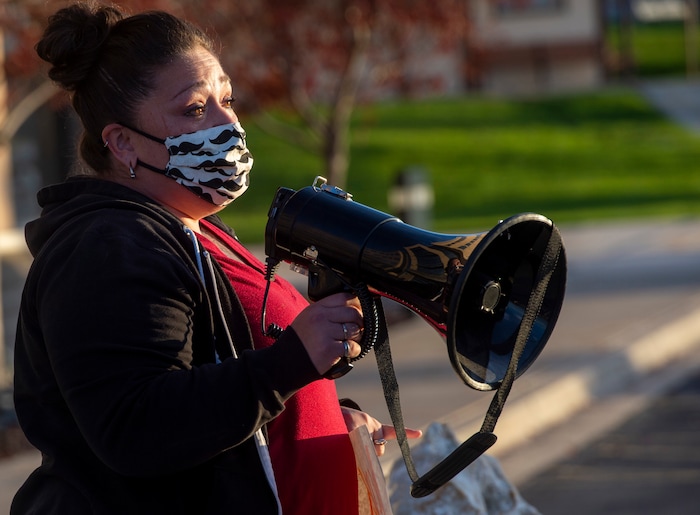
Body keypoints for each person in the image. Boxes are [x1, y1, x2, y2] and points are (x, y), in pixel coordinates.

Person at [11, 2, 420, 514]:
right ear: (123, 143)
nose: (228, 122)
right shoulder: (106, 248)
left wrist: (321, 418)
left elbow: (222, 382)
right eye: (194, 109)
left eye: (226, 99)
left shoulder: (192, 228)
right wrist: (291, 361)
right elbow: (136, 428)